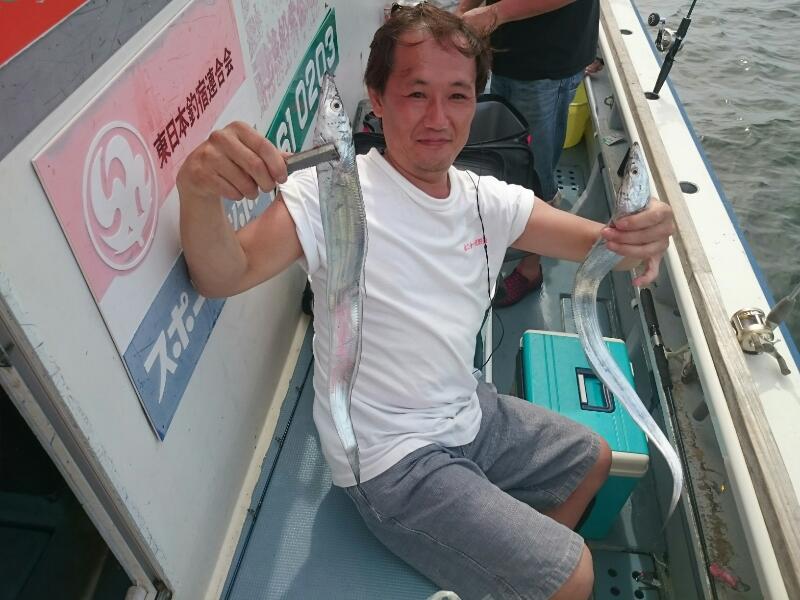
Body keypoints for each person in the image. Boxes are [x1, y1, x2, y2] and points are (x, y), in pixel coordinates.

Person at [177, 5, 673, 599]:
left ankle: (505, 575)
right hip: (388, 457)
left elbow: (601, 245)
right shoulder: (328, 194)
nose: (438, 118)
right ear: (377, 99)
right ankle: (528, 571)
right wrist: (198, 190)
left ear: (476, 101)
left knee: (592, 459)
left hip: (465, 407)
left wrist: (643, 233)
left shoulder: (487, 200)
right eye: (416, 93)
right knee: (575, 577)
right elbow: (224, 273)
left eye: (457, 96)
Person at [457, 0, 604, 308]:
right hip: (504, 54)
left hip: (546, 64)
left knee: (535, 170)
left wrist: (493, 14)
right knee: (506, 154)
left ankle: (530, 267)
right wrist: (462, 14)